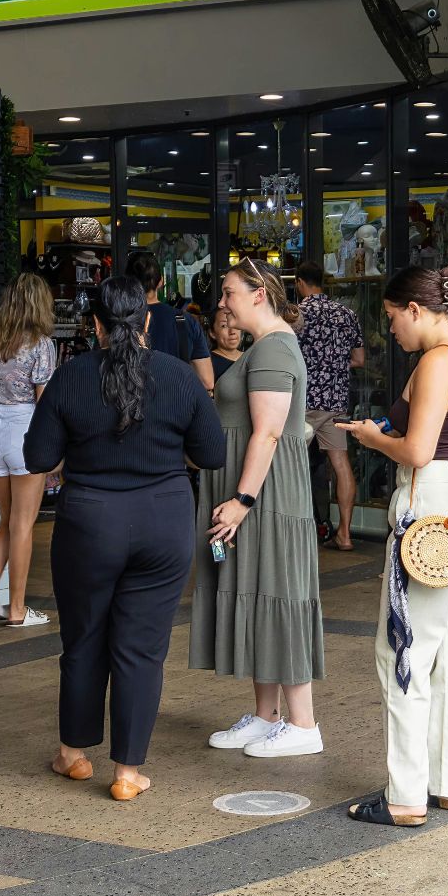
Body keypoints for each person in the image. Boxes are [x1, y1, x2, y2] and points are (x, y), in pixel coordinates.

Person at [25, 276, 227, 800]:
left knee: (84, 638)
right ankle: (128, 772)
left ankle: (73, 753)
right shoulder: (179, 377)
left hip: (88, 521)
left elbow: (38, 457)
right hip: (164, 520)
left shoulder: (71, 376)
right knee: (141, 649)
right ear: (147, 321)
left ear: (94, 324)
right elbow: (212, 454)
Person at [337, 267, 448, 827]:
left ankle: (405, 794)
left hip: (431, 507)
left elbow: (420, 451)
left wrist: (373, 438)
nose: (391, 331)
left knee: (402, 650)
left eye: (391, 317)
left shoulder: (434, 362)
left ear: (415, 309)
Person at [192, 259, 325, 758]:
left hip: (263, 498)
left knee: (278, 594)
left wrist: (242, 501)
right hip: (257, 496)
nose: (222, 302)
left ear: (257, 295)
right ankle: (268, 716)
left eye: (228, 292)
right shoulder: (265, 348)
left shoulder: (271, 350)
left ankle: (303, 724)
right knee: (260, 591)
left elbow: (268, 433)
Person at [0, 272, 58, 629]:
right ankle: (18, 608)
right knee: (24, 524)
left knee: (7, 519)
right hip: (25, 431)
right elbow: (45, 404)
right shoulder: (41, 343)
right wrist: (54, 451)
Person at [293, 262, 366, 552]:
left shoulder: (297, 315)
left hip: (305, 401)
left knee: (290, 462)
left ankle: (294, 533)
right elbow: (359, 359)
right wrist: (334, 366)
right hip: (336, 401)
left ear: (300, 283)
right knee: (341, 464)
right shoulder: (346, 314)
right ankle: (345, 534)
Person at [126, 250, 213, 392]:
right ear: (160, 282)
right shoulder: (185, 320)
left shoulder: (120, 321)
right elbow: (207, 381)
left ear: (128, 283)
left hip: (130, 405)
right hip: (176, 404)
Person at [209, 305, 247, 382]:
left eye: (235, 324)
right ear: (212, 333)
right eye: (224, 326)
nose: (232, 332)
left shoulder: (250, 356)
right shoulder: (208, 363)